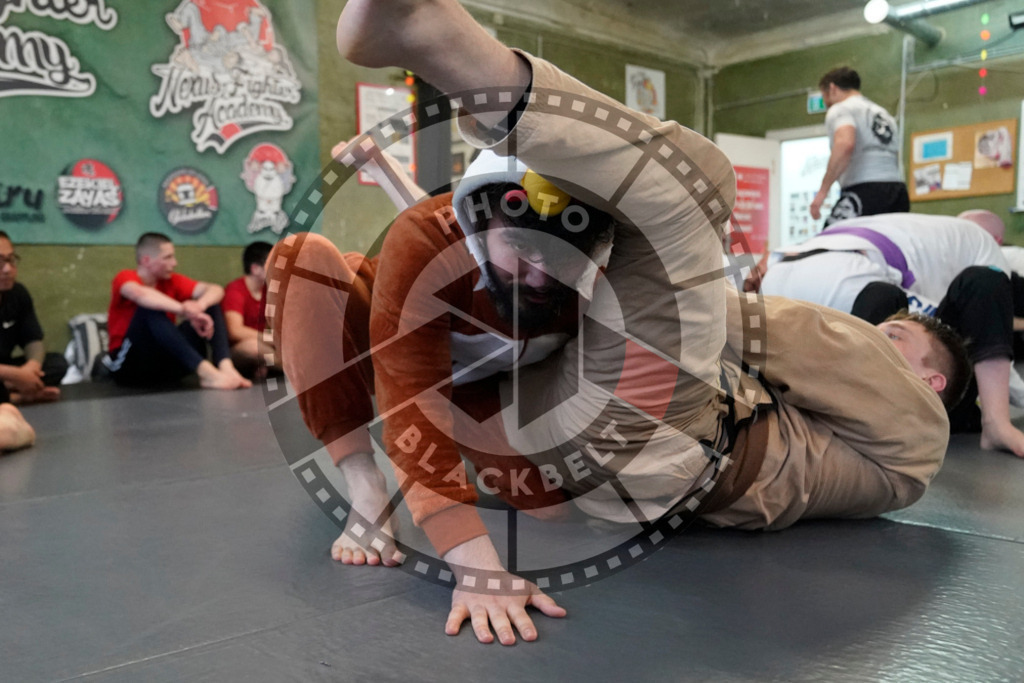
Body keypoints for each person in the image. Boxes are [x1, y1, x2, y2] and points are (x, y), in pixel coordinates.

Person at [309, 0, 965, 646]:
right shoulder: (502, 267)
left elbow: (905, 427)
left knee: (689, 194)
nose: (878, 338)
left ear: (931, 377)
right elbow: (456, 263)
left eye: (898, 340)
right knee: (679, 200)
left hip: (644, 450)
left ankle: (472, 66)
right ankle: (471, 70)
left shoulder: (899, 443)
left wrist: (697, 292)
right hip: (578, 430)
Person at [759, 211, 1024, 456]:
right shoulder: (981, 248)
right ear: (996, 239)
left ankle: (991, 423)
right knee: (985, 279)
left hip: (789, 282)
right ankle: (995, 424)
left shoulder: (887, 232)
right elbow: (990, 335)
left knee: (888, 302)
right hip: (843, 304)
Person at [102, 232, 251, 390]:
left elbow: (216, 289)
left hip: (165, 365)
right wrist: (185, 310)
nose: (174, 263)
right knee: (149, 309)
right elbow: (140, 294)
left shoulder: (171, 281)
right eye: (167, 258)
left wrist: (199, 306)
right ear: (146, 260)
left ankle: (226, 367)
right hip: (130, 366)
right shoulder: (125, 277)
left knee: (210, 304)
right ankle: (207, 372)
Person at [810, 66, 908, 226]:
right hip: (898, 191)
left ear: (832, 88)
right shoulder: (884, 114)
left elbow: (845, 144)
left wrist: (822, 192)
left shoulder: (841, 109)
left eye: (824, 97)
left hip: (866, 189)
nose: (826, 103)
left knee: (832, 241)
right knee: (883, 245)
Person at [0, 232, 66, 404]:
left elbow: (33, 341)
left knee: (57, 363)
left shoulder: (18, 294)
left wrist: (31, 368)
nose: (7, 269)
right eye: (0, 261)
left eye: (11, 260)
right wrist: (15, 375)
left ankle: (10, 390)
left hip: (7, 370)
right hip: (5, 373)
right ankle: (18, 396)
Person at [223, 240, 273, 376]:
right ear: (255, 269)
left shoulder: (269, 291)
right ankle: (292, 369)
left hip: (263, 346)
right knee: (253, 346)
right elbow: (235, 331)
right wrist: (271, 339)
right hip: (237, 350)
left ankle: (273, 365)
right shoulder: (235, 290)